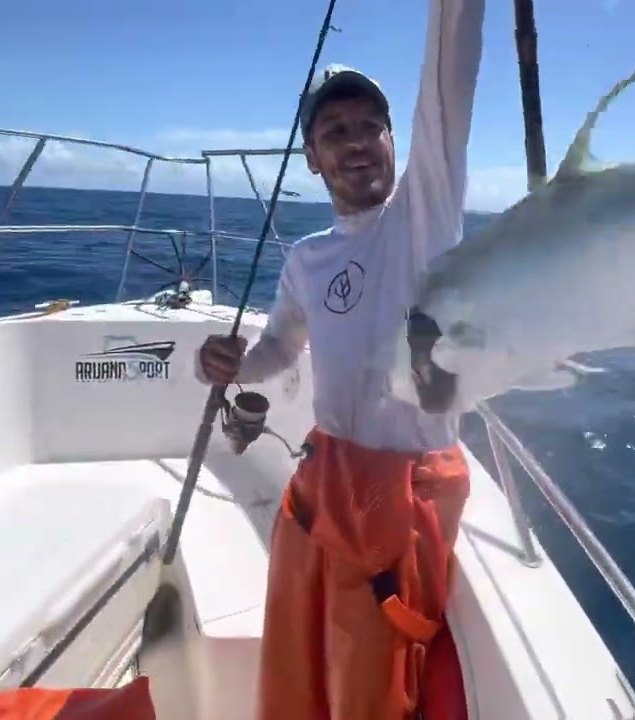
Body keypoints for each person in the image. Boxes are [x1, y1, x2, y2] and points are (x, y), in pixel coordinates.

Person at [196, 0, 485, 717]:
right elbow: (277, 352)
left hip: (403, 495)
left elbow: (448, 84)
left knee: (369, 684)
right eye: (334, 131)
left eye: (369, 127)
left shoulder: (427, 216)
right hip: (324, 479)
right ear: (312, 158)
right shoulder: (307, 259)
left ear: (393, 140)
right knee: (297, 661)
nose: (355, 142)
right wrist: (233, 366)